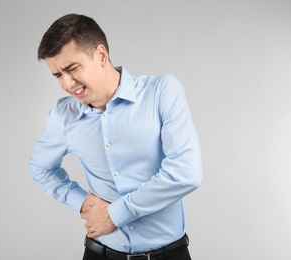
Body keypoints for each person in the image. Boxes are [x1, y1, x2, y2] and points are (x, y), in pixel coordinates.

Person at [29, 13, 202, 260]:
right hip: (99, 254)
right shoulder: (62, 116)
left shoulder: (162, 92)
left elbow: (186, 173)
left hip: (169, 255)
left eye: (71, 68)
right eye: (58, 75)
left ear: (101, 55)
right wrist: (80, 201)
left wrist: (115, 214)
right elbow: (40, 167)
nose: (67, 84)